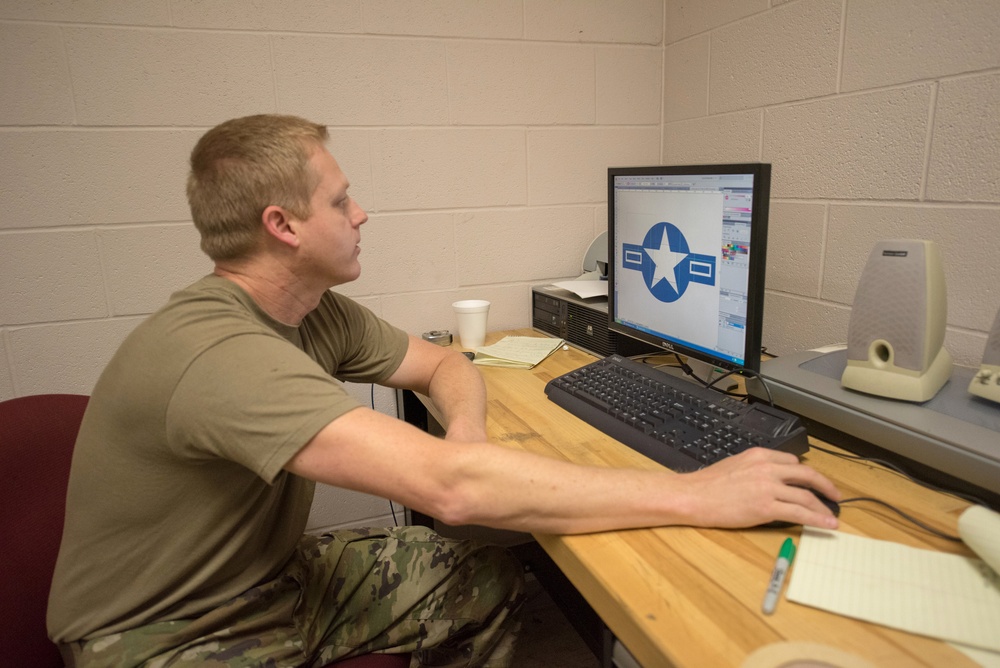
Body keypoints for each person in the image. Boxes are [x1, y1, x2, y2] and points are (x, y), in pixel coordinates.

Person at [47, 114, 840, 667]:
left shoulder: (311, 312)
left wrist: (465, 440)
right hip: (165, 638)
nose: (363, 213)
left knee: (485, 573)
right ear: (283, 226)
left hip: (265, 583)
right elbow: (455, 494)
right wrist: (697, 495)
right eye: (340, 200)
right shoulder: (217, 352)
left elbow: (441, 365)